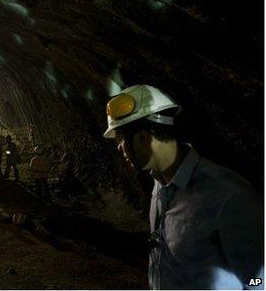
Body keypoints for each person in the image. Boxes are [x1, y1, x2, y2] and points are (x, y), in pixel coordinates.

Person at [103, 84, 263, 290]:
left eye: (121, 139)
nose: (119, 148)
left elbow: (258, 281)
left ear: (142, 137)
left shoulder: (228, 196)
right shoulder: (159, 185)